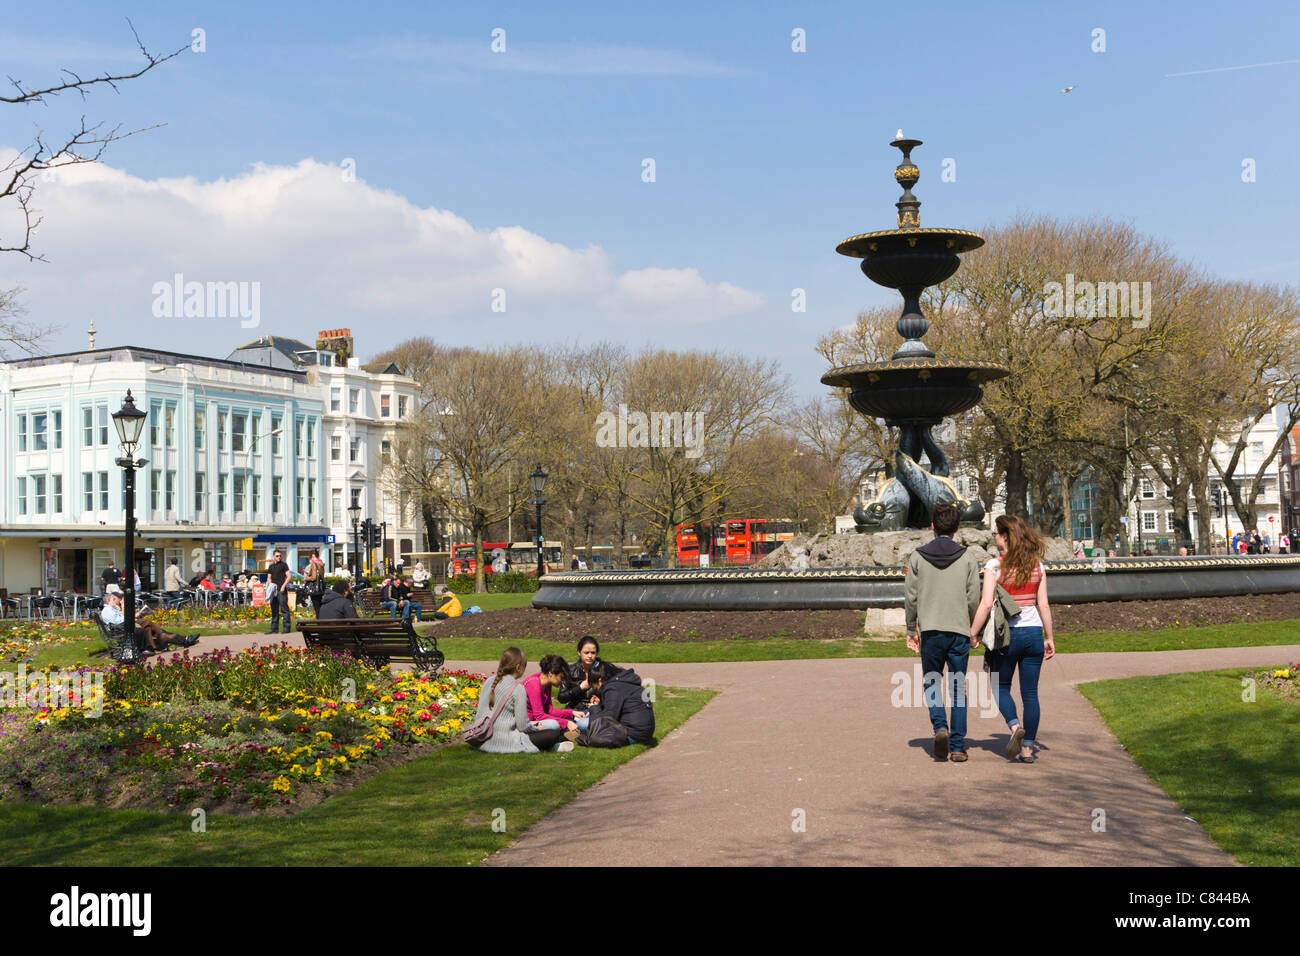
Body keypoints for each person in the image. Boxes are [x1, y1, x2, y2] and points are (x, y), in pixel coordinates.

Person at [970, 514, 1056, 763]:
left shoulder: (994, 566)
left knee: (999, 686)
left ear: (1005, 536)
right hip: (1033, 634)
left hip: (1006, 636)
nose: (994, 537)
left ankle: (1014, 726)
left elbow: (986, 604)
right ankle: (1028, 748)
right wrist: (1049, 637)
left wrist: (973, 633)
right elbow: (1044, 605)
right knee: (1030, 693)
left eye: (995, 533)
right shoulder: (1037, 566)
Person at [904, 502, 981, 762]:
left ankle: (940, 727)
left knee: (932, 682)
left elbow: (911, 597)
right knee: (958, 688)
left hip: (931, 630)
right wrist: (973, 628)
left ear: (933, 526)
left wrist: (910, 628)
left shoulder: (917, 557)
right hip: (959, 629)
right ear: (957, 527)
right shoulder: (968, 557)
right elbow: (974, 597)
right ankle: (958, 746)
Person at [469, 648, 575, 753]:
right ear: (518, 667)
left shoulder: (489, 681)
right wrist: (536, 728)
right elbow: (523, 727)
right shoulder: (518, 688)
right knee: (552, 733)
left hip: (483, 737)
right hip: (506, 741)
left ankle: (549, 745)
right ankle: (550, 747)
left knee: (551, 728)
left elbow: (480, 714)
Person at [100, 588, 198, 652]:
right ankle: (184, 640)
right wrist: (132, 616)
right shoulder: (108, 610)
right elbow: (118, 622)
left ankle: (155, 647)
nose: (116, 601)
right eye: (114, 600)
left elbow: (121, 618)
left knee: (151, 628)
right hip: (124, 628)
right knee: (148, 623)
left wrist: (133, 615)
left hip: (126, 625)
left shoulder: (111, 609)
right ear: (109, 601)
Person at [586, 665, 655, 745]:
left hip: (632, 735)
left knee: (582, 723)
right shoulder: (626, 683)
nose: (593, 689)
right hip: (645, 733)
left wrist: (593, 708)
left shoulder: (613, 688)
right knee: (587, 720)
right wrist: (600, 704)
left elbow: (607, 719)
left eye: (592, 685)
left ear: (599, 680)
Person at [523, 654, 587, 735]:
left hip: (534, 721)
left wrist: (571, 713)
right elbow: (539, 716)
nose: (562, 681)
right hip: (524, 723)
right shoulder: (534, 684)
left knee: (561, 723)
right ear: (551, 674)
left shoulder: (547, 684)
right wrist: (566, 722)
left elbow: (550, 711)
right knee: (554, 725)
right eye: (561, 677)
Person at [558, 635, 613, 710]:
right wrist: (579, 688)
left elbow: (612, 693)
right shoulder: (570, 671)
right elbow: (561, 698)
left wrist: (600, 701)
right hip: (575, 709)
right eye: (586, 653)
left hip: (597, 709)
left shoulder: (604, 669)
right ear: (579, 653)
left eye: (593, 653)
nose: (590, 656)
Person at [267, 549, 293, 634]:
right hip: (273, 591)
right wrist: (271, 585)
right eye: (277, 556)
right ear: (273, 557)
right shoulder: (271, 566)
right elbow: (269, 577)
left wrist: (283, 586)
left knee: (284, 609)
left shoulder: (284, 565)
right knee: (274, 609)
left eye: (280, 556)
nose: (279, 557)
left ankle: (286, 628)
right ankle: (274, 628)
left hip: (281, 590)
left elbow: (289, 576)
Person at [303, 548, 326, 614]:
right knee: (320, 606)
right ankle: (322, 621)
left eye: (310, 557)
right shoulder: (320, 563)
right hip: (320, 587)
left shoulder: (314, 563)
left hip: (314, 588)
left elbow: (314, 577)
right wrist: (309, 573)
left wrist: (306, 578)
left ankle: (319, 622)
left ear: (312, 556)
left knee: (317, 608)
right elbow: (319, 575)